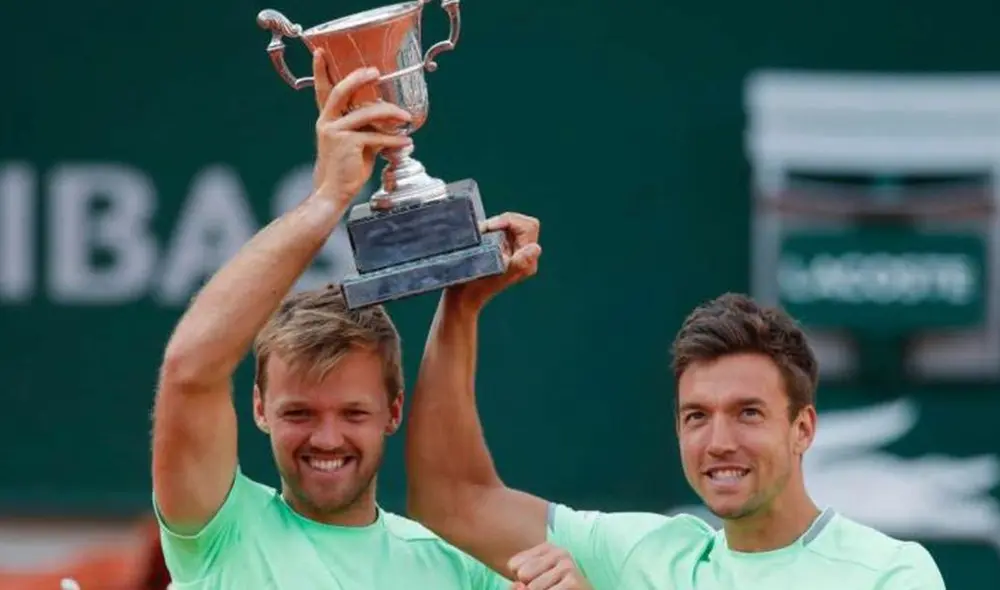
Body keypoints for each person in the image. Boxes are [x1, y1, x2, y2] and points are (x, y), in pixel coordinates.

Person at [151, 49, 591, 590]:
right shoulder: (218, 530)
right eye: (300, 413)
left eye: (354, 413)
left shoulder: (462, 568)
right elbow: (189, 369)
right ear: (260, 407)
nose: (328, 438)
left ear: (394, 410)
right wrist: (327, 199)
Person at [405, 248, 948, 589]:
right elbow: (454, 502)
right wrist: (461, 306)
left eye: (748, 414)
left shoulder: (891, 573)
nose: (718, 441)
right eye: (696, 416)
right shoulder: (645, 555)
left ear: (802, 428)